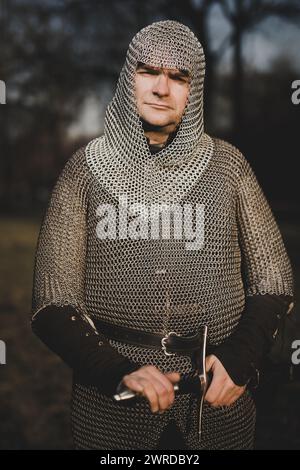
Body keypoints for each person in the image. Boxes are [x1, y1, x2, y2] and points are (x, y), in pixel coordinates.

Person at [31, 20, 294, 450]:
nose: (160, 88)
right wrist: (115, 369)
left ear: (194, 91)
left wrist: (242, 356)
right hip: (114, 406)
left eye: (177, 77)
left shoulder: (227, 167)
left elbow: (275, 281)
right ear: (126, 78)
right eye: (148, 71)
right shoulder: (85, 170)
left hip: (215, 401)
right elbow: (51, 304)